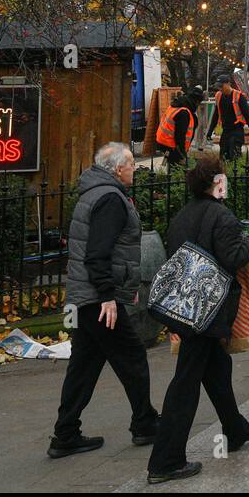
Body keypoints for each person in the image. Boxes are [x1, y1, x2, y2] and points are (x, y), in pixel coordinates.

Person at [146, 156, 249, 483]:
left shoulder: (182, 216)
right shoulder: (222, 217)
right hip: (208, 311)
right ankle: (165, 462)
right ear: (217, 183)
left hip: (186, 309)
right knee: (185, 385)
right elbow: (232, 258)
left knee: (217, 369)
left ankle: (236, 429)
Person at [50, 143, 160, 459]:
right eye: (130, 164)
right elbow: (98, 253)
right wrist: (108, 297)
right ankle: (145, 424)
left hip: (86, 298)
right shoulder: (110, 199)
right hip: (97, 299)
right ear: (116, 169)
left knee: (84, 366)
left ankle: (65, 434)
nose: (134, 169)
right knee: (133, 357)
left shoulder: (94, 192)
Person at [212, 75, 249, 161]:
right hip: (225, 130)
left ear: (228, 84)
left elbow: (247, 116)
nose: (220, 89)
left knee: (234, 153)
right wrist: (210, 131)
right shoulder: (218, 96)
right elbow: (216, 115)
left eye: (222, 86)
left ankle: (236, 173)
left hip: (237, 130)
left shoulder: (239, 96)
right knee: (223, 155)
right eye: (219, 87)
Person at [153, 89, 203, 167]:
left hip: (163, 142)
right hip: (171, 145)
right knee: (178, 168)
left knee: (172, 166)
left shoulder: (176, 106)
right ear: (196, 102)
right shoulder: (184, 113)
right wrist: (182, 153)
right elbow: (180, 135)